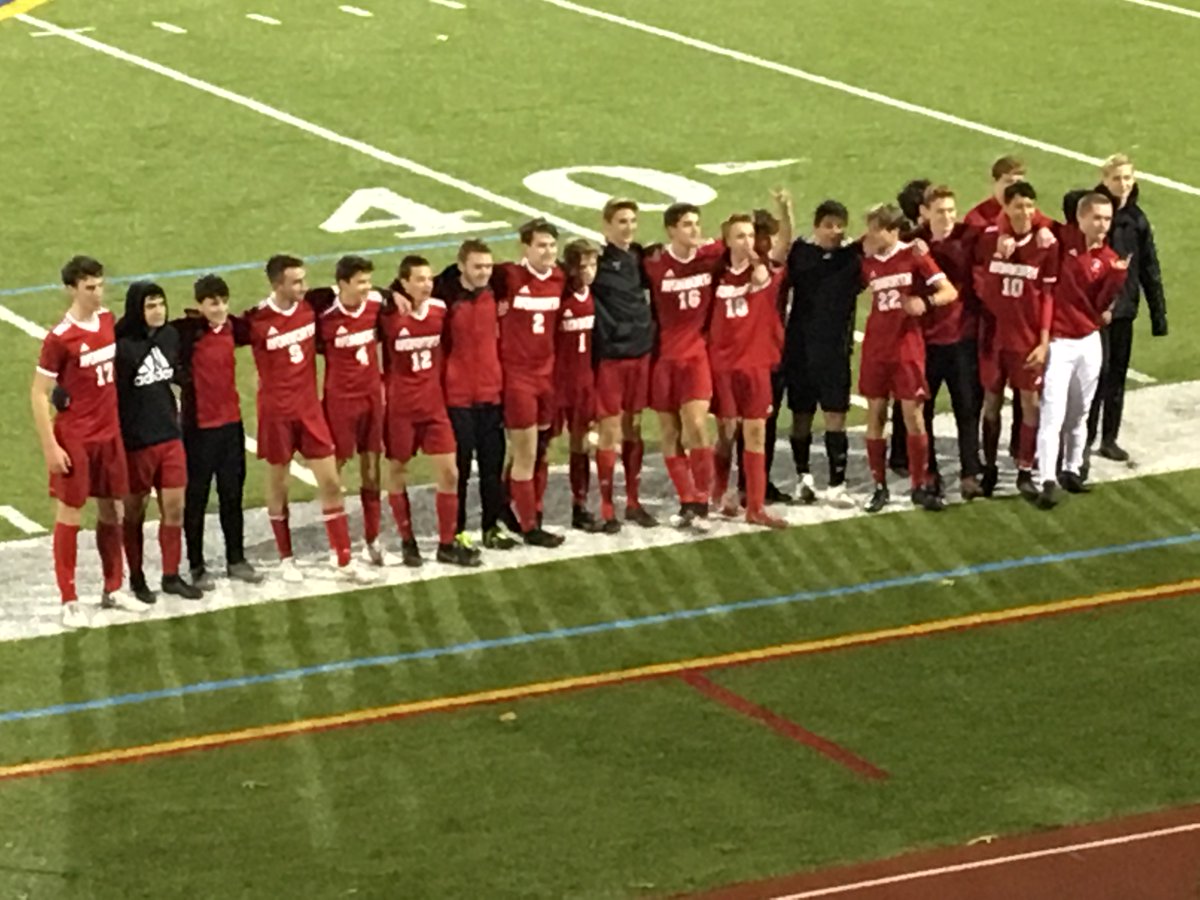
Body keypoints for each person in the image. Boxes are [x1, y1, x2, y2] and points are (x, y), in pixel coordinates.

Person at [244, 254, 369, 583]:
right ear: (277, 285)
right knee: (278, 484)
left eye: (304, 279)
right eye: (296, 281)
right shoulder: (256, 319)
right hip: (275, 413)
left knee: (330, 481)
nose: (304, 286)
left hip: (309, 410)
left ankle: (342, 559)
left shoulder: (312, 306)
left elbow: (354, 291)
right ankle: (286, 558)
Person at [32, 256, 141, 627]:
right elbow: (38, 393)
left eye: (99, 285)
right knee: (71, 514)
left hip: (109, 434)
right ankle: (69, 598)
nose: (97, 293)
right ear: (71, 289)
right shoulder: (60, 338)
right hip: (76, 437)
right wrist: (51, 445)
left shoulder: (108, 321)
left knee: (114, 510)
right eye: (89, 288)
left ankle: (113, 588)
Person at [379, 256, 482, 567]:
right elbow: (357, 296)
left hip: (433, 406)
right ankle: (407, 540)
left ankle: (446, 543)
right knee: (397, 471)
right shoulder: (387, 314)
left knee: (450, 473)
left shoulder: (439, 310)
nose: (426, 284)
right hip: (400, 408)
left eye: (428, 279)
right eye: (419, 279)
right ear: (404, 282)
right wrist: (387, 294)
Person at [859, 205, 957, 513]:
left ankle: (919, 484)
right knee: (875, 415)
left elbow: (949, 292)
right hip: (876, 347)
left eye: (876, 229)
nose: (871, 235)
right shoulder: (868, 261)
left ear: (891, 230)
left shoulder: (914, 256)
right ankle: (879, 486)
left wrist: (923, 303)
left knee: (913, 416)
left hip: (906, 347)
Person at [1033, 194, 1128, 508]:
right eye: (1097, 218)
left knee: (1080, 412)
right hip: (1060, 341)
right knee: (1053, 412)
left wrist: (1116, 279)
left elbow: (1100, 307)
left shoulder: (1109, 257)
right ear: (1082, 218)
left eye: (1107, 219)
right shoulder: (1062, 237)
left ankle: (1072, 469)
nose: (1102, 225)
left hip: (1088, 340)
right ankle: (1046, 478)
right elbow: (1035, 216)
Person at [113, 282, 203, 602]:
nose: (158, 311)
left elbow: (174, 368)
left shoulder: (169, 337)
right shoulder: (122, 347)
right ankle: (136, 577)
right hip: (136, 442)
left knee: (175, 508)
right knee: (134, 511)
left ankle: (170, 574)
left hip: (169, 435)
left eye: (161, 304)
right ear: (138, 309)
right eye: (150, 306)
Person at [175, 275, 262, 589]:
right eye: (213, 302)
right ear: (200, 305)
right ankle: (197, 567)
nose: (221, 308)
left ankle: (235, 559)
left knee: (232, 496)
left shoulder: (232, 327)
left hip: (231, 426)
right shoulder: (187, 333)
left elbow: (260, 323)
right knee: (196, 499)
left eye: (224, 301)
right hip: (198, 429)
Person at [1081, 154, 1169, 465]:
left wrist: (1159, 315)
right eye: (1117, 178)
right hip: (1094, 312)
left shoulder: (1137, 220)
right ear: (1104, 179)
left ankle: (1109, 438)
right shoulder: (1090, 213)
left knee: (1116, 376)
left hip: (1125, 310)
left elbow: (1149, 267)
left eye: (1128, 178)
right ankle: (1084, 439)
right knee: (1095, 376)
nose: (1124, 184)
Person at [974, 182, 1059, 498]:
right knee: (991, 403)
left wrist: (1044, 340)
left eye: (1029, 206)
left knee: (1030, 403)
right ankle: (991, 466)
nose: (1024, 212)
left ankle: (1025, 468)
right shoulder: (988, 239)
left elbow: (1048, 295)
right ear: (1006, 208)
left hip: (1026, 338)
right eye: (1018, 206)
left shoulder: (1046, 243)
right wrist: (998, 247)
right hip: (995, 337)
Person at [642, 202, 723, 530]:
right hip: (662, 358)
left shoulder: (711, 256)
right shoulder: (653, 263)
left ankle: (703, 500)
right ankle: (686, 499)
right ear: (671, 230)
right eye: (687, 225)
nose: (694, 230)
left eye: (696, 223)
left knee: (697, 425)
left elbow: (737, 240)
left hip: (695, 357)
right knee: (670, 432)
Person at [309, 255, 390, 565]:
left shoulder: (375, 305)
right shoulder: (325, 315)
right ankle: (337, 544)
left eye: (369, 282)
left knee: (372, 468)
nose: (366, 288)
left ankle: (372, 539)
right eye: (360, 283)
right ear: (342, 284)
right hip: (340, 401)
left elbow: (390, 299)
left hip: (371, 396)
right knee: (335, 471)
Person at [491, 219, 567, 547]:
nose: (548, 251)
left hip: (547, 376)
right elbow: (461, 276)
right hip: (517, 378)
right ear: (525, 248)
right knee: (525, 452)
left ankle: (513, 507)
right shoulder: (508, 276)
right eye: (541, 245)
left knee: (541, 450)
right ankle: (529, 526)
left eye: (552, 245)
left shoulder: (560, 278)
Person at [434, 240, 513, 550]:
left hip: (492, 395)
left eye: (488, 266)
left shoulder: (494, 291)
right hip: (458, 398)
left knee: (492, 469)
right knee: (461, 471)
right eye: (477, 266)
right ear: (462, 266)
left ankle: (492, 527)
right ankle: (457, 531)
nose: (484, 272)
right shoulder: (446, 299)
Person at [709, 215, 787, 527]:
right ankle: (719, 493)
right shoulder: (715, 273)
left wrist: (785, 212)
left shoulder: (764, 270)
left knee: (755, 433)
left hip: (754, 365)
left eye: (750, 235)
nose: (747, 241)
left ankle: (755, 507)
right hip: (723, 365)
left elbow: (764, 272)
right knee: (727, 433)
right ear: (727, 240)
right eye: (739, 236)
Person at [784, 200, 860, 508]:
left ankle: (836, 483)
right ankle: (803, 476)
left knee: (835, 416)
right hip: (800, 349)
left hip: (835, 350)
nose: (834, 231)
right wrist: (786, 211)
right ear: (816, 226)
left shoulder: (853, 257)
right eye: (828, 225)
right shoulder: (801, 252)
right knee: (801, 415)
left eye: (839, 225)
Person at [591, 198, 657, 531]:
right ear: (606, 226)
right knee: (610, 430)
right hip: (611, 358)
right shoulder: (596, 263)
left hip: (640, 353)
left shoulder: (639, 256)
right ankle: (606, 506)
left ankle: (632, 500)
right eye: (621, 221)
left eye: (632, 220)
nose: (628, 227)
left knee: (634, 426)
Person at [914, 186, 985, 500]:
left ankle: (970, 471)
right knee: (924, 411)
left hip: (962, 336)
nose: (947, 217)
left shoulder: (968, 237)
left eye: (951, 211)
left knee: (967, 409)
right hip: (925, 341)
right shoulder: (912, 241)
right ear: (925, 212)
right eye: (940, 211)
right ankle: (929, 471)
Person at [554, 239, 605, 532]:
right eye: (582, 265)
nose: (588, 271)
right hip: (556, 382)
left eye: (592, 264)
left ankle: (580, 505)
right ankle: (520, 504)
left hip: (583, 382)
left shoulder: (591, 296)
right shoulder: (560, 298)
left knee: (581, 445)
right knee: (540, 447)